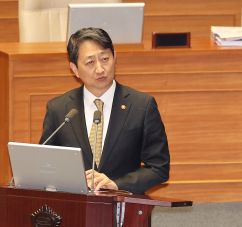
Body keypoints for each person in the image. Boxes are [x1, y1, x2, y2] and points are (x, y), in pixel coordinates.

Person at [39, 27, 170, 194]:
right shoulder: (59, 109)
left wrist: (117, 184)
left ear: (115, 58)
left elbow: (159, 168)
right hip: (75, 207)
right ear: (75, 69)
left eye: (105, 59)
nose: (100, 69)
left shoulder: (141, 106)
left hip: (124, 207)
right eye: (90, 62)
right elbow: (46, 164)